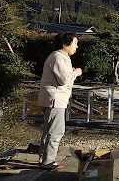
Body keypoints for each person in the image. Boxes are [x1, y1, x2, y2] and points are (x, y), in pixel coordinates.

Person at [38, 32, 82, 170]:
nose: (77, 46)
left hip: (54, 99)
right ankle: (48, 161)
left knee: (49, 130)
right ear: (65, 44)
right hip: (55, 100)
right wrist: (76, 72)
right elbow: (64, 79)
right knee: (56, 131)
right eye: (75, 43)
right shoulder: (58, 57)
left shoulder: (61, 57)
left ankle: (44, 157)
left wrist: (71, 72)